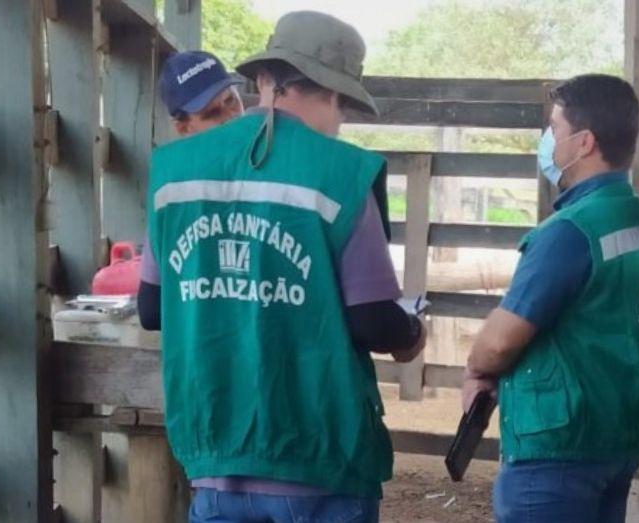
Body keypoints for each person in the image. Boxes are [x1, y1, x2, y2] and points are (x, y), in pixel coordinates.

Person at [142, 11, 427, 522]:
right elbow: (372, 321)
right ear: (337, 96)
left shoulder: (172, 172)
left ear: (265, 80)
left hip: (216, 449)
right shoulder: (343, 173)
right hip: (320, 452)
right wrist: (411, 332)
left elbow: (150, 307)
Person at [462, 74, 639, 523]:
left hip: (558, 453)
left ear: (584, 143)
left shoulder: (567, 233)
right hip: (619, 436)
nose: (547, 141)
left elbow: (499, 342)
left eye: (554, 129)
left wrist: (476, 370)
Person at [138, 50, 246, 322]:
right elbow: (149, 310)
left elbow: (152, 311)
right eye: (212, 113)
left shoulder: (171, 189)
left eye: (232, 100)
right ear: (183, 128)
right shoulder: (169, 189)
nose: (231, 116)